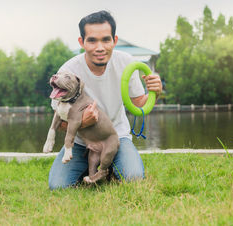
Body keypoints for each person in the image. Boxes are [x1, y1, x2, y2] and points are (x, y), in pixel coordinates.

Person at [48, 10, 162, 190]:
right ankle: (90, 167)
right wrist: (82, 123)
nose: (99, 47)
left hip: (115, 137)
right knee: (58, 186)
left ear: (114, 41)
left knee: (133, 179)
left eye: (106, 40)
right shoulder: (68, 72)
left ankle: (104, 167)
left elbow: (139, 103)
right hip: (80, 141)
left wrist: (155, 92)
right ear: (82, 42)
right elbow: (59, 123)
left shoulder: (126, 63)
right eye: (92, 40)